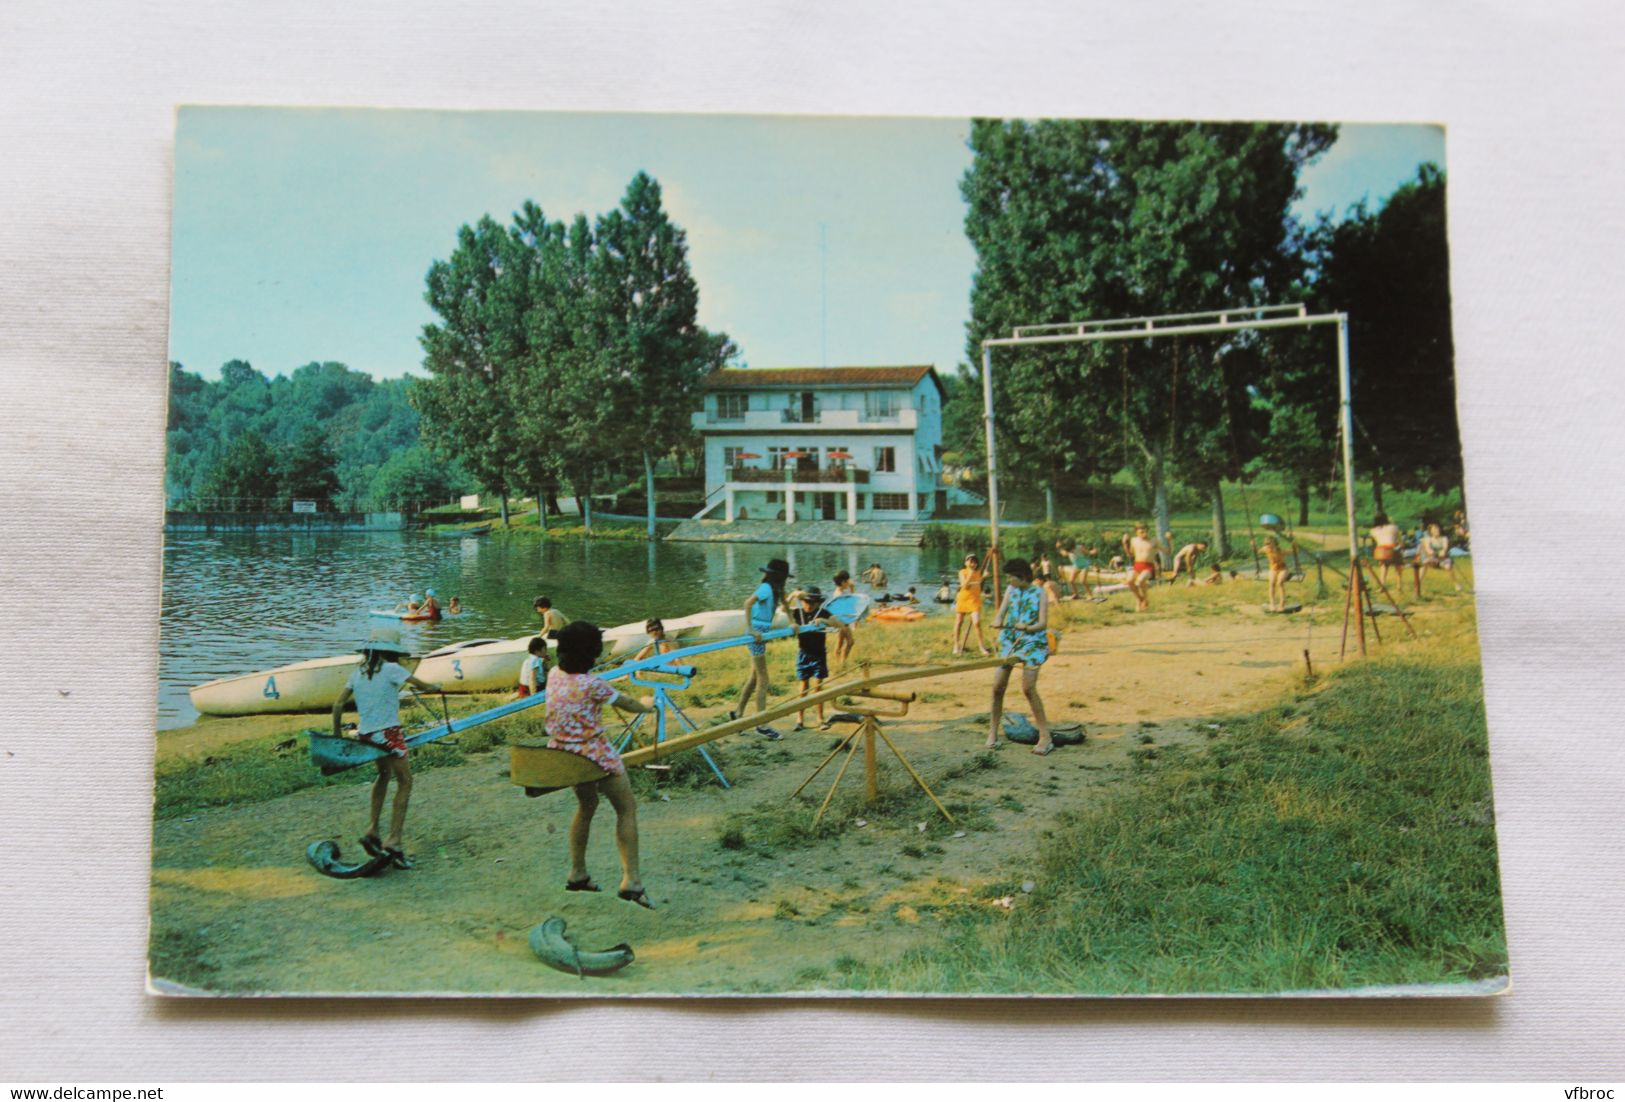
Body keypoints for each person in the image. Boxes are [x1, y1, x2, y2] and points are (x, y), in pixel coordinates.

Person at [545, 621, 657, 908]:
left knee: (587, 806)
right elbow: (627, 702)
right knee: (627, 808)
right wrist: (647, 704)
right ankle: (631, 881)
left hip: (565, 753)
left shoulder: (554, 675)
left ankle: (577, 873)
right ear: (591, 653)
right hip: (594, 754)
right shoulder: (592, 684)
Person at [331, 627, 442, 869]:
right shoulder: (392, 669)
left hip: (367, 734)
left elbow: (338, 705)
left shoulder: (358, 673)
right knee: (405, 781)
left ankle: (372, 828)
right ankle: (394, 841)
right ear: (389, 652)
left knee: (383, 775)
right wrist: (435, 687)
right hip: (389, 733)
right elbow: (422, 686)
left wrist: (338, 736)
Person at [987, 558, 1055, 756]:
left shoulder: (1040, 593)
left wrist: (1027, 627)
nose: (1008, 581)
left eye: (1011, 577)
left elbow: (1042, 623)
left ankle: (1045, 737)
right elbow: (1001, 614)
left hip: (1032, 642)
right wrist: (997, 621)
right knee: (997, 687)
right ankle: (992, 733)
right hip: (1010, 641)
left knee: (1028, 688)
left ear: (1022, 577)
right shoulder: (1010, 590)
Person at [732, 558, 791, 739]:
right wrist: (750, 629)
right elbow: (747, 603)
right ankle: (761, 724)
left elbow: (786, 605)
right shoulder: (766, 588)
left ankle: (738, 714)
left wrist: (794, 622)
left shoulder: (777, 589)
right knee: (763, 679)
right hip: (757, 632)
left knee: (755, 677)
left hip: (762, 632)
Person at [790, 586, 835, 730]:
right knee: (803, 688)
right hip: (804, 654)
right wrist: (792, 595)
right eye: (806, 602)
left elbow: (839, 624)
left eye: (813, 602)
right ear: (802, 601)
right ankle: (800, 719)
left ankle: (820, 719)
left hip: (819, 655)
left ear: (818, 603)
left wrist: (824, 621)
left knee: (817, 688)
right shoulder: (797, 613)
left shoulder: (823, 613)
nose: (809, 605)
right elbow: (782, 610)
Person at [952, 553, 991, 657]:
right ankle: (956, 645)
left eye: (974, 561)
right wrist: (971, 574)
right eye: (970, 561)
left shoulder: (978, 572)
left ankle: (982, 647)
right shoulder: (962, 572)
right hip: (963, 599)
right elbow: (965, 585)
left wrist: (983, 577)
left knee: (977, 623)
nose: (973, 563)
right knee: (959, 622)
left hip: (974, 600)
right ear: (965, 563)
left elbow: (978, 583)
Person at [1413, 522, 1464, 595]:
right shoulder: (1428, 539)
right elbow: (1428, 550)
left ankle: (1456, 584)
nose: (1436, 531)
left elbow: (1445, 548)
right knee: (1425, 563)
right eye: (1434, 529)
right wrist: (1434, 553)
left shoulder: (1444, 538)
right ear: (1431, 531)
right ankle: (1417, 585)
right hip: (1432, 559)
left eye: (1437, 529)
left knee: (1448, 566)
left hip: (1443, 559)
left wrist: (1442, 552)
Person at [1126, 524, 1157, 612]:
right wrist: (1125, 543)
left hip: (1148, 566)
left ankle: (1144, 600)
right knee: (1129, 581)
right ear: (1136, 532)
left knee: (1139, 581)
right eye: (1141, 531)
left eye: (1146, 531)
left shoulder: (1153, 540)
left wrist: (1169, 540)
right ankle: (1141, 599)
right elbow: (1130, 554)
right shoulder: (1133, 540)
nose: (1144, 533)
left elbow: (1168, 551)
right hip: (1137, 565)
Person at [1369, 513, 1404, 586]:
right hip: (1391, 550)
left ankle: (1382, 584)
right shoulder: (1393, 527)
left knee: (1383, 566)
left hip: (1380, 552)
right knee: (1398, 564)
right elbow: (1400, 541)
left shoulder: (1373, 530)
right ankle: (1399, 584)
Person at [830, 570, 856, 666]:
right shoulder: (840, 594)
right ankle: (842, 662)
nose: (849, 582)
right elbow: (853, 602)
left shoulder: (840, 592)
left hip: (841, 621)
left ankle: (839, 663)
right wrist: (852, 588)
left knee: (840, 642)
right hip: (842, 622)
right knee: (850, 641)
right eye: (848, 581)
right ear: (843, 582)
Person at [1257, 535, 1290, 611]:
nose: (1267, 545)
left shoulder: (1280, 550)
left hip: (1283, 569)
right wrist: (1254, 545)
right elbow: (1258, 550)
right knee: (1272, 583)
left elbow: (1294, 551)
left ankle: (1282, 604)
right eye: (1266, 544)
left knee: (1280, 582)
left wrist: (1293, 543)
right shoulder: (1266, 549)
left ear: (1274, 543)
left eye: (1269, 543)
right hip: (1273, 569)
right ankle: (1272, 604)